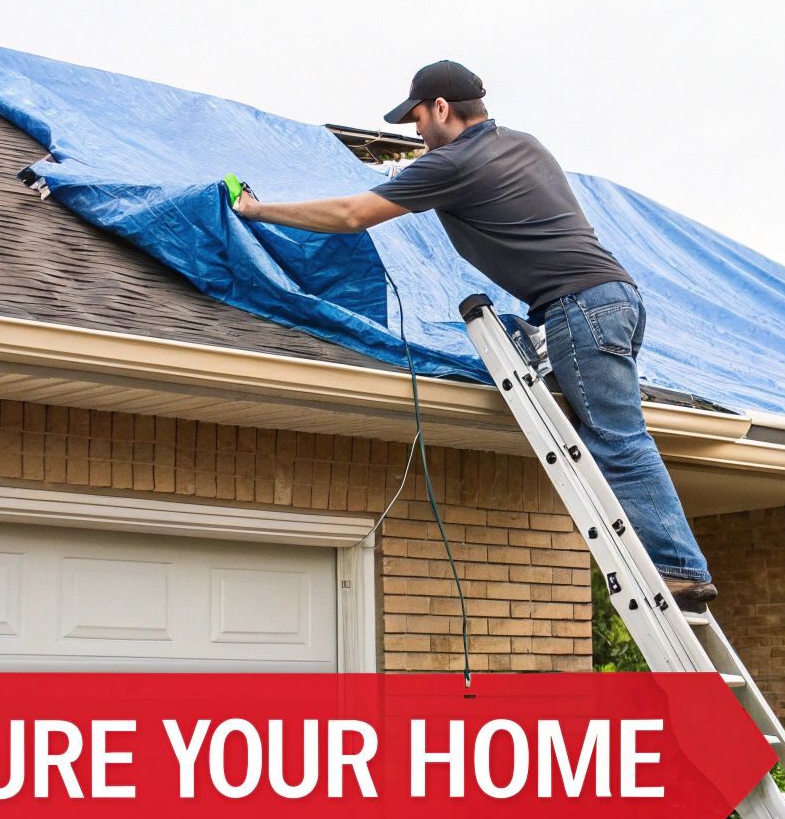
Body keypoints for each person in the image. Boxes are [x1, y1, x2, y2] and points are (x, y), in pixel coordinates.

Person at [232, 60, 717, 611]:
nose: (415, 132)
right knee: (605, 419)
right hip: (617, 300)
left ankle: (678, 569)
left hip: (578, 307)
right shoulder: (524, 145)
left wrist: (257, 209)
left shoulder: (453, 161)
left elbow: (351, 214)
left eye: (416, 117)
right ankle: (678, 561)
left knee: (616, 438)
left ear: (440, 108)